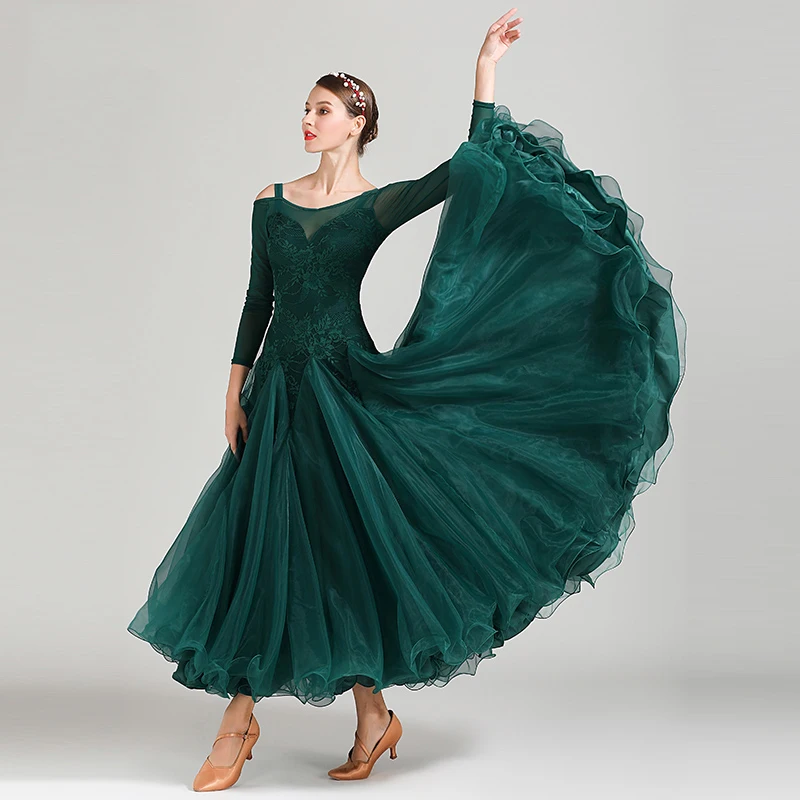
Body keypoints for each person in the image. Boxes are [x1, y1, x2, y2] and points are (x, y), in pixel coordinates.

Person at [127, 6, 687, 791]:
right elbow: (259, 301)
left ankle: (251, 720)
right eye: (305, 108)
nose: (307, 120)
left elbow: (469, 168)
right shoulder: (270, 200)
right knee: (269, 539)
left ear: (357, 122)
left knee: (341, 544)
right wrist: (232, 389)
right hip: (278, 390)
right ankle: (342, 717)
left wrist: (484, 71)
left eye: (323, 109)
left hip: (347, 389)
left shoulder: (378, 204)